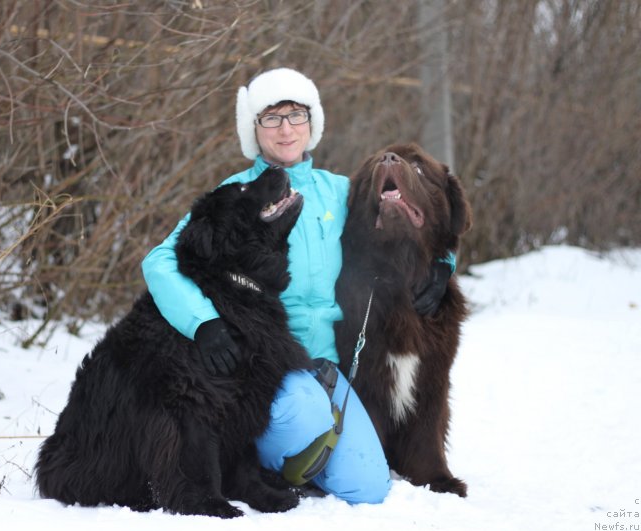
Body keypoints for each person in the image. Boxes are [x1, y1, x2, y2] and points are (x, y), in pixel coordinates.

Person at [141, 68, 453, 504]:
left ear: (313, 122)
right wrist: (203, 324)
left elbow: (416, 219)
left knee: (368, 488)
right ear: (254, 129)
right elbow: (158, 262)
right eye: (271, 117)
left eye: (296, 115)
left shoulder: (340, 193)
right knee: (304, 418)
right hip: (262, 363)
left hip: (328, 366)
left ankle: (301, 457)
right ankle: (246, 462)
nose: (285, 128)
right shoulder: (235, 196)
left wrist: (444, 264)